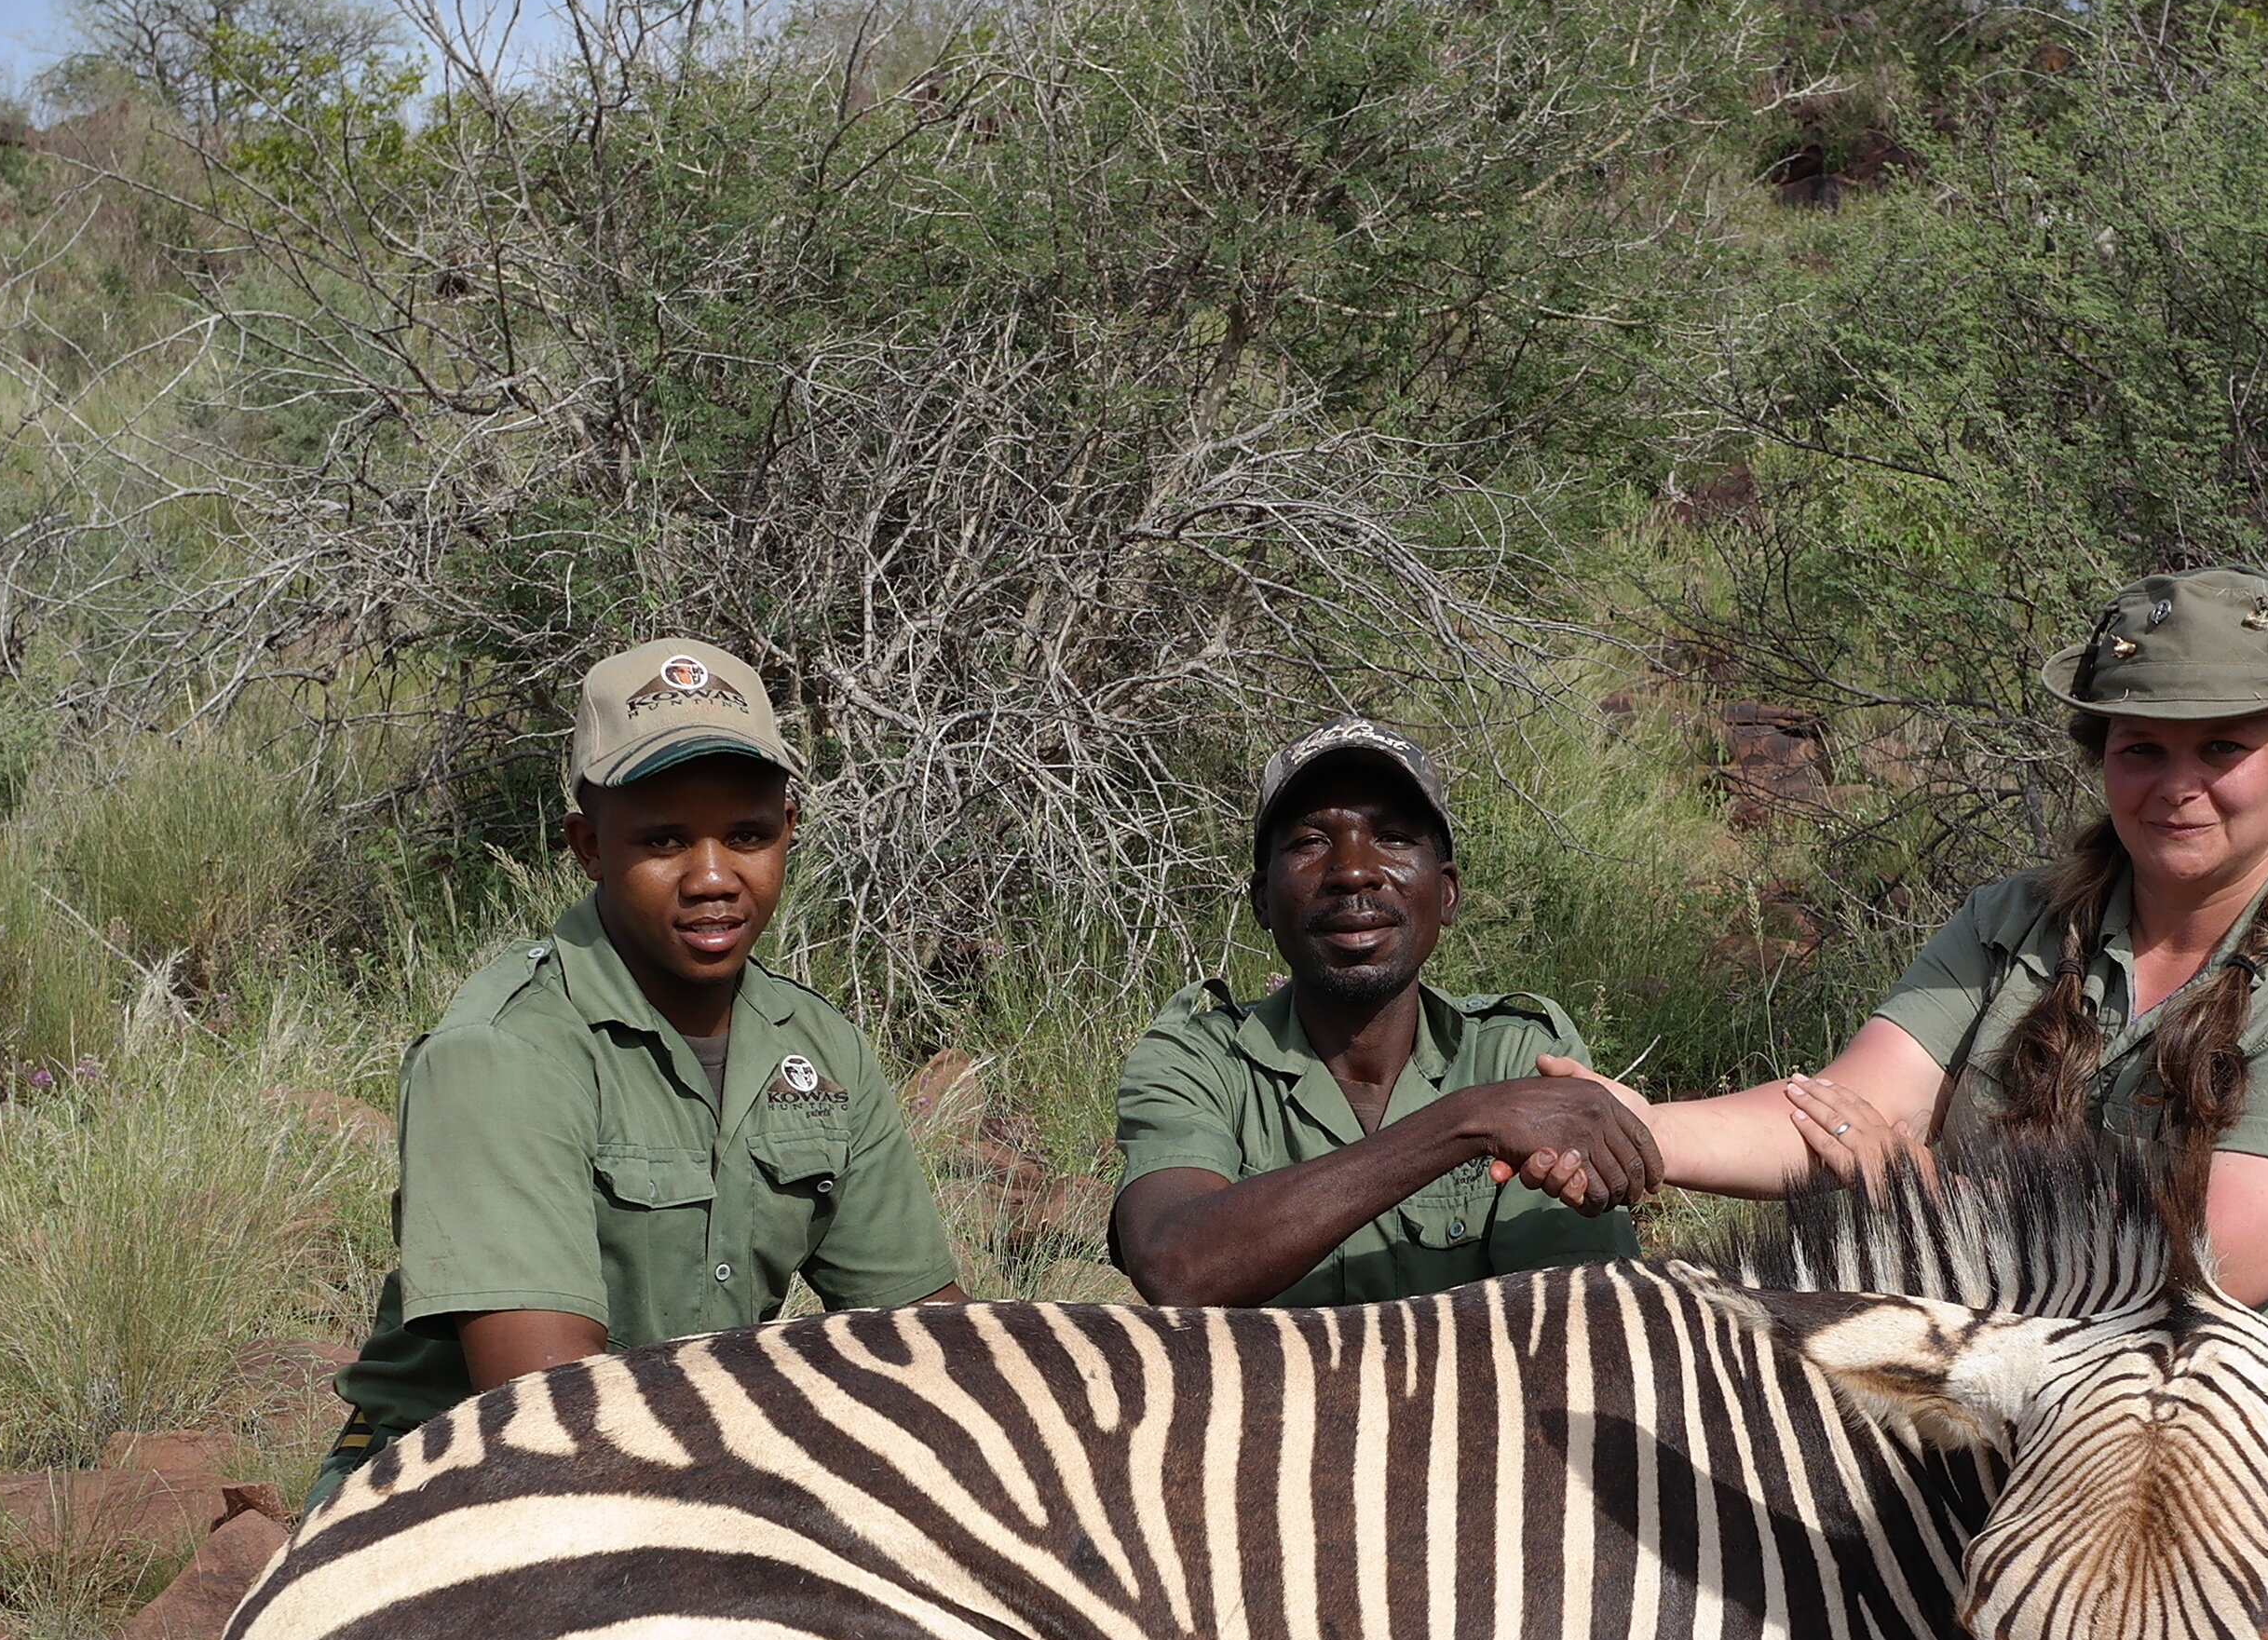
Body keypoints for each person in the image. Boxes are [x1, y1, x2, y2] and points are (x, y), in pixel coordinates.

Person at [1556, 569, 2268, 1640]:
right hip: (2023, 1354)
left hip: (2249, 1363)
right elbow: (1845, 1109)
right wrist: (1636, 1126)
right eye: (2143, 748)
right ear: (2102, 756)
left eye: (2224, 749)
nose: (2180, 786)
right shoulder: (2011, 925)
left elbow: (2188, 1274)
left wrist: (1911, 1185)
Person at [315, 635, 959, 1495]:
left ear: (788, 834)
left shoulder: (819, 1047)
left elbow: (930, 1344)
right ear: (588, 847)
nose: (712, 878)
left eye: (747, 835)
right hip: (467, 1484)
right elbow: (544, 1412)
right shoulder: (503, 1052)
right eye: (662, 840)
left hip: (702, 1462)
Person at [1107, 719, 1658, 1308]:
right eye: (1310, 842)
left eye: (1393, 837)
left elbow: (1580, 1319)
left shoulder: (1519, 1055)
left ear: (1445, 893)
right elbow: (1177, 1267)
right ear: (1263, 900)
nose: (1352, 871)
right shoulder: (1199, 1056)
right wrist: (1469, 1123)